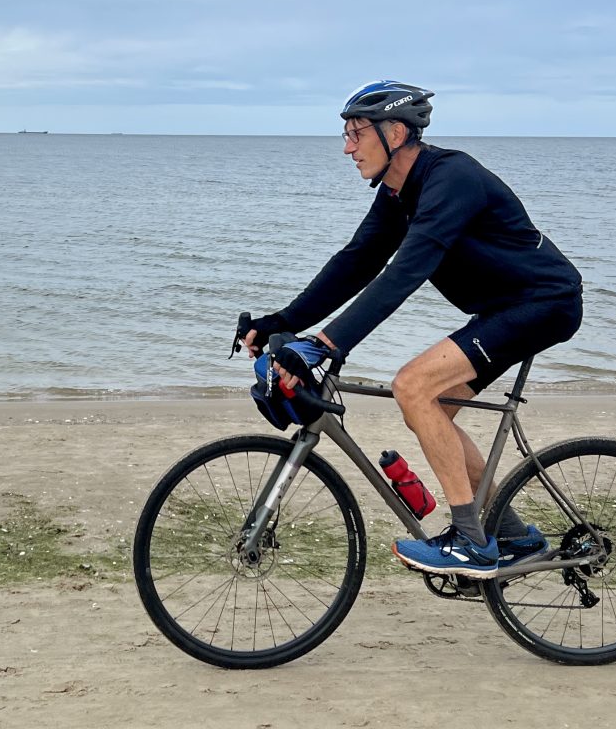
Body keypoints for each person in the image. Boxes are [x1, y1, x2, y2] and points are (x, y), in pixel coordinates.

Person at [243, 80, 583, 577]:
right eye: (346, 134)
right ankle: (512, 534)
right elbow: (357, 262)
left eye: (356, 133)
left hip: (543, 303)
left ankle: (470, 540)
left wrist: (326, 344)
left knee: (412, 386)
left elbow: (406, 271)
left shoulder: (452, 178)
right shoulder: (398, 193)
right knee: (433, 408)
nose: (347, 147)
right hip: (502, 311)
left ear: (396, 131)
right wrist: (283, 322)